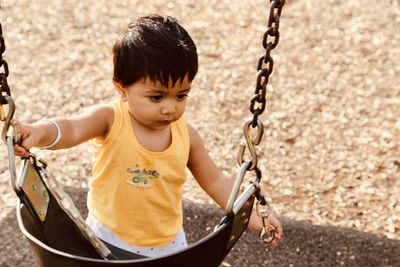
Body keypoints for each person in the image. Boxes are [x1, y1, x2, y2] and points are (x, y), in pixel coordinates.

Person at [13, 14, 282, 258]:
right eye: (156, 97)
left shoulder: (186, 135)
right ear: (121, 88)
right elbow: (71, 128)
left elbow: (214, 180)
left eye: (181, 95)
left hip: (169, 244)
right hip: (108, 239)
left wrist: (249, 213)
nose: (170, 107)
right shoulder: (111, 119)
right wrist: (38, 132)